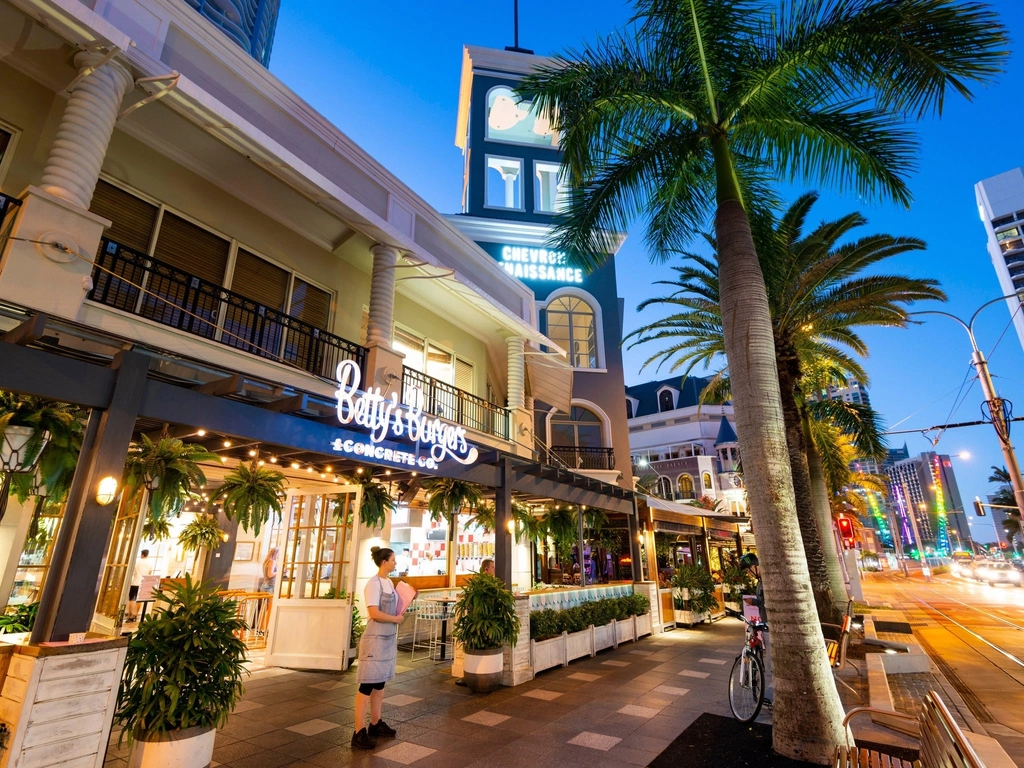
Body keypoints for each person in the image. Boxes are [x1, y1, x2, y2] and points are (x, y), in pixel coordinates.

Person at [352, 546, 406, 750]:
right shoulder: (373, 584)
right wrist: (395, 619)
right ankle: (358, 732)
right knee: (366, 686)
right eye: (393, 560)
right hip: (375, 640)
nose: (395, 563)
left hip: (387, 638)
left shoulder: (389, 583)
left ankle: (375, 724)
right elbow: (374, 612)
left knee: (380, 685)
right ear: (384, 562)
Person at [128, 549, 152, 621]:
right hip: (142, 584)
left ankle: (130, 616)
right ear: (147, 555)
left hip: (135, 583)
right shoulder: (149, 563)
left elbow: (132, 571)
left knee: (132, 599)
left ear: (142, 554)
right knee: (139, 600)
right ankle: (135, 615)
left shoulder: (137, 562)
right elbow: (149, 573)